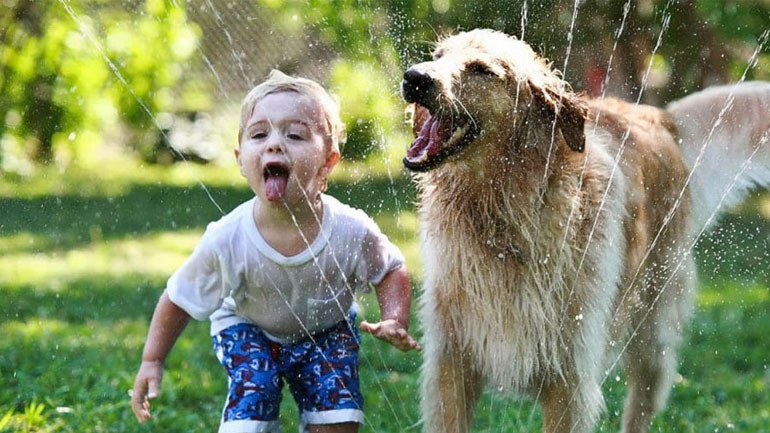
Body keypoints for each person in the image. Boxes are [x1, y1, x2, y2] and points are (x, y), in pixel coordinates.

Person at [130, 70, 421, 433]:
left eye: (295, 134)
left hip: (327, 328)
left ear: (328, 162)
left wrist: (395, 317)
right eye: (259, 134)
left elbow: (391, 268)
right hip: (248, 326)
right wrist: (152, 360)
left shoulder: (350, 229)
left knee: (340, 420)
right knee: (253, 407)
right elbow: (179, 298)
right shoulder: (228, 238)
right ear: (240, 159)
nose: (274, 144)